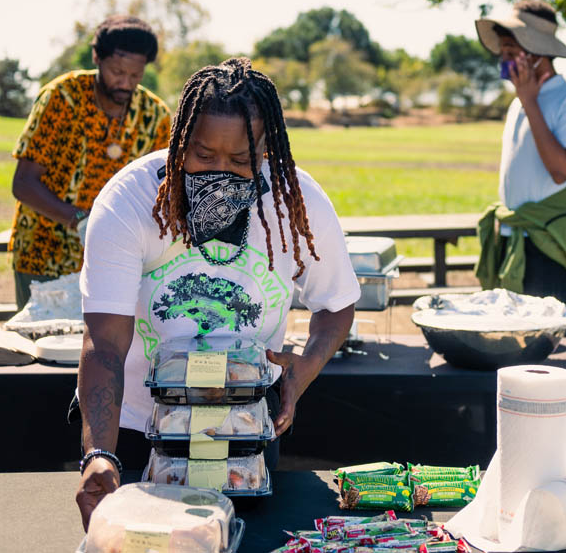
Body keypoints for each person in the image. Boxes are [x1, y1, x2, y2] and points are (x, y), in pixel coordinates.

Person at [74, 57, 359, 528]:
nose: (219, 173)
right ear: (178, 142)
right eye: (203, 156)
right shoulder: (129, 200)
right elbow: (104, 344)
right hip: (135, 425)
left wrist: (303, 370)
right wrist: (99, 453)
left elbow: (336, 305)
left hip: (245, 428)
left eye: (241, 160)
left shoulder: (296, 199)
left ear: (267, 151)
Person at [10, 15, 171, 309]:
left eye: (135, 76)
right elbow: (23, 183)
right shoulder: (62, 98)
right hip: (44, 255)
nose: (125, 83)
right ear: (97, 57)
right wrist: (82, 221)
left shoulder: (154, 114)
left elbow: (160, 188)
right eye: (117, 71)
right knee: (40, 346)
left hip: (117, 260)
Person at [473, 0, 566, 318]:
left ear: (537, 54)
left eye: (512, 51)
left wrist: (529, 101)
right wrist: (525, 100)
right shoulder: (518, 101)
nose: (504, 58)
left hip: (547, 246)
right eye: (503, 50)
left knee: (550, 348)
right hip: (513, 239)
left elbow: (560, 170)